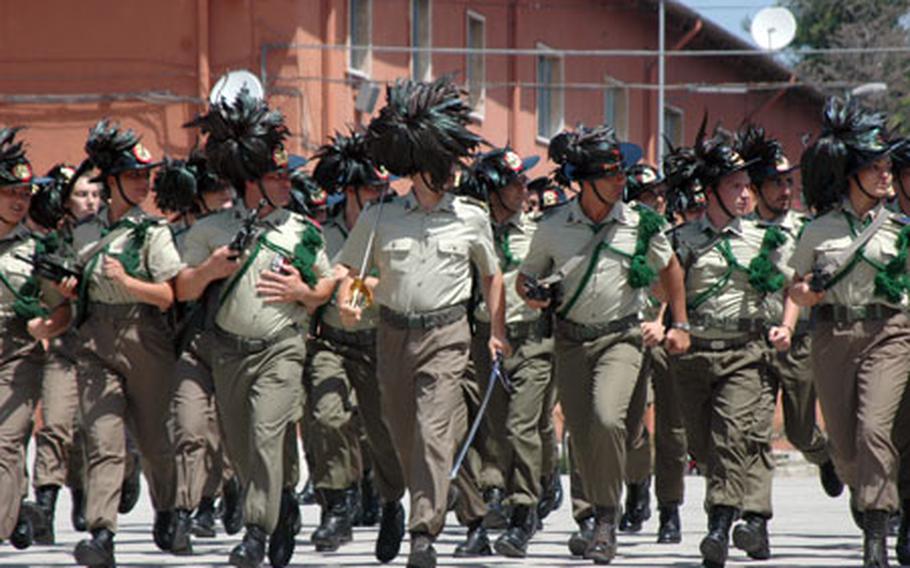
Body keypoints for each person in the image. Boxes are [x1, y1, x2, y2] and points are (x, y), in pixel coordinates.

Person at [336, 77, 506, 568]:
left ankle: (423, 533)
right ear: (422, 166)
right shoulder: (381, 215)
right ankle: (398, 498)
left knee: (435, 432)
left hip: (447, 335)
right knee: (397, 430)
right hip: (391, 333)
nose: (453, 171)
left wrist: (496, 332)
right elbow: (354, 270)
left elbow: (491, 276)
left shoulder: (470, 216)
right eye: (444, 164)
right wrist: (352, 300)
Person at [517, 124, 690, 565]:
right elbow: (526, 277)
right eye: (612, 174)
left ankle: (606, 521)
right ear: (586, 180)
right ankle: (592, 513)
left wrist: (680, 322)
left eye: (622, 173)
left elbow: (670, 270)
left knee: (607, 419)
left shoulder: (641, 223)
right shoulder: (553, 227)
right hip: (571, 343)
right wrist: (532, 293)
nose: (621, 181)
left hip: (622, 338)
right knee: (583, 432)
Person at [178, 90, 335, 568]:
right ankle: (279, 502)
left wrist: (304, 295)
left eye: (288, 176)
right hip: (227, 350)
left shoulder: (303, 231)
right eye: (276, 176)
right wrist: (209, 270)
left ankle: (254, 532)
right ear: (251, 183)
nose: (287, 183)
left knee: (268, 433)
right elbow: (183, 290)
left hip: (281, 347)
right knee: (242, 444)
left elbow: (326, 283)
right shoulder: (211, 230)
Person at [55, 120, 183, 567]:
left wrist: (128, 281)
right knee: (103, 439)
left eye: (146, 176)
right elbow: (75, 282)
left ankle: (167, 507)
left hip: (144, 337)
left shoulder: (154, 233)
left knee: (153, 442)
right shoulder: (84, 232)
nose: (143, 184)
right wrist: (72, 289)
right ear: (111, 182)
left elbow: (167, 296)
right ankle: (101, 533)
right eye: (133, 176)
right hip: (95, 340)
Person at [789, 96, 910, 568]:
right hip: (832, 338)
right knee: (844, 443)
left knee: (875, 429)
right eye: (875, 167)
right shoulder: (817, 231)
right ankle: (867, 496)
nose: (886, 174)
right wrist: (808, 294)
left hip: (891, 334)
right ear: (851, 173)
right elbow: (794, 288)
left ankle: (877, 531)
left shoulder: (900, 229)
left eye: (887, 166)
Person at [668, 119, 786, 568]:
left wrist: (785, 325)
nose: (745, 194)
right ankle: (742, 518)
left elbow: (790, 288)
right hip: (693, 355)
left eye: (747, 187)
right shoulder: (681, 241)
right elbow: (660, 292)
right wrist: (664, 325)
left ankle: (721, 525)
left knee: (734, 437)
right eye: (735, 186)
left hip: (745, 352)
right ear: (712, 192)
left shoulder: (765, 238)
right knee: (703, 444)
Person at [729, 123, 841, 560]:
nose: (785, 189)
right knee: (753, 432)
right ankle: (755, 520)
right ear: (754, 188)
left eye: (788, 181)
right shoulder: (736, 230)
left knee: (797, 428)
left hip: (800, 342)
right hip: (750, 344)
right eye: (775, 182)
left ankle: (825, 456)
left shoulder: (805, 229)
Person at [304, 129, 406, 556]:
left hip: (380, 342)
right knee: (328, 416)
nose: (379, 195)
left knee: (384, 434)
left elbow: (392, 278)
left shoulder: (393, 228)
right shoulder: (321, 235)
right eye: (369, 188)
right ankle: (337, 507)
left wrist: (356, 288)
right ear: (349, 190)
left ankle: (391, 501)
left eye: (384, 188)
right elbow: (312, 285)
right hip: (331, 342)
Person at [456, 147, 555, 558]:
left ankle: (523, 513)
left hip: (531, 340)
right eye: (514, 183)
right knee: (496, 432)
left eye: (523, 181)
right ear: (493, 191)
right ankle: (500, 501)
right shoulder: (469, 231)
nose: (523, 188)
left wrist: (547, 293)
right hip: (483, 340)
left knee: (520, 427)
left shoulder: (539, 231)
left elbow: (557, 280)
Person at [152, 149, 240, 550]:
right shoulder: (171, 238)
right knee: (190, 430)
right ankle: (187, 513)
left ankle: (230, 485)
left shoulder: (241, 229)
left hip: (236, 344)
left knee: (230, 434)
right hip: (189, 342)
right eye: (213, 190)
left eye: (226, 188)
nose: (222, 196)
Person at [0, 128, 72, 551]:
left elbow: (61, 310)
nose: (18, 200)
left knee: (7, 442)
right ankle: (18, 511)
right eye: (9, 190)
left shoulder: (37, 251)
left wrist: (48, 326)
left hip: (16, 356)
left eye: (24, 193)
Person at [619, 161, 689, 544]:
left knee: (673, 430)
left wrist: (666, 323)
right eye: (648, 196)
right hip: (628, 333)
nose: (657, 201)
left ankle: (670, 509)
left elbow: (679, 283)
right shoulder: (624, 233)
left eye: (661, 195)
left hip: (667, 337)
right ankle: (636, 487)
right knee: (630, 424)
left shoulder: (676, 235)